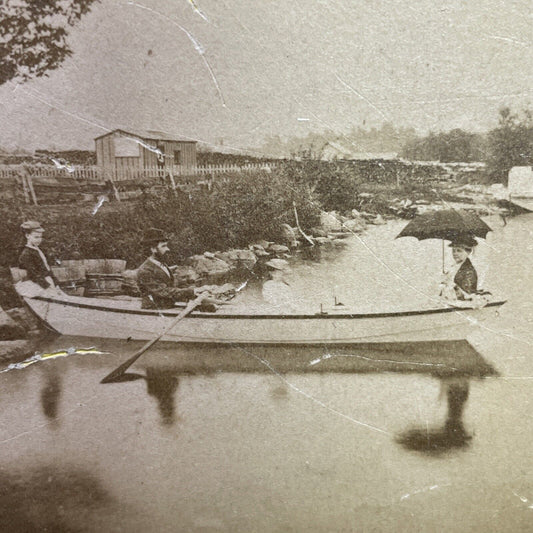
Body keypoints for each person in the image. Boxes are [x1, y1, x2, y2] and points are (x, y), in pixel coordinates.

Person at [137, 228, 217, 311]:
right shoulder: (145, 270)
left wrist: (193, 284)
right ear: (153, 249)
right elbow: (165, 292)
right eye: (163, 246)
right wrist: (194, 291)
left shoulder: (161, 264)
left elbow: (172, 284)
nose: (168, 249)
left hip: (167, 307)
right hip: (154, 310)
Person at [18, 220, 58, 290]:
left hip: (47, 280)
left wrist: (56, 283)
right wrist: (47, 286)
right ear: (27, 236)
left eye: (40, 237)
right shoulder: (26, 254)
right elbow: (34, 274)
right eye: (36, 237)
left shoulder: (38, 250)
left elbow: (47, 268)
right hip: (36, 284)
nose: (39, 240)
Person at [439, 236, 478, 301]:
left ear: (468, 252)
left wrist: (451, 284)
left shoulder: (469, 270)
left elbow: (467, 295)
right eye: (453, 251)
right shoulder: (453, 267)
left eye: (459, 251)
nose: (455, 253)